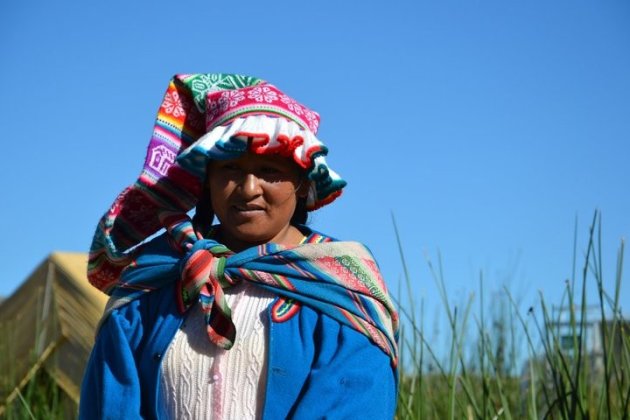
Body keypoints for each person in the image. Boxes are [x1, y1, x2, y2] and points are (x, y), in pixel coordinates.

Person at [80, 73, 399, 419]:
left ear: (303, 182)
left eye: (268, 170)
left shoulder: (343, 287)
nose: (248, 188)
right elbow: (111, 402)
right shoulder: (153, 281)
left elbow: (355, 400)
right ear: (207, 181)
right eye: (230, 169)